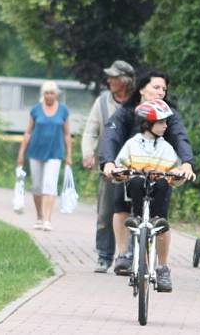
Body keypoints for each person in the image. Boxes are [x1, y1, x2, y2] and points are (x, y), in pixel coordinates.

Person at [100, 70, 196, 291]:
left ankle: (162, 268)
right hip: (129, 168)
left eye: (164, 89)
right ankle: (123, 255)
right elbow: (111, 136)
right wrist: (109, 163)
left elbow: (180, 137)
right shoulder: (126, 113)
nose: (161, 92)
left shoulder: (169, 115)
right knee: (121, 204)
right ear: (142, 89)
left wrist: (187, 163)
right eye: (156, 87)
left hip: (160, 172)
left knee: (161, 218)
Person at [111, 100, 186, 292]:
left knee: (162, 184)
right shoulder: (132, 144)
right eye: (161, 122)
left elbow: (175, 174)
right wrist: (117, 172)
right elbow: (119, 167)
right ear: (148, 124)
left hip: (158, 197)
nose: (165, 126)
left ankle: (162, 268)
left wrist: (179, 175)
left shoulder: (166, 148)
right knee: (135, 181)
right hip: (138, 193)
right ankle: (136, 217)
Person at [81, 60, 135, 273]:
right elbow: (90, 131)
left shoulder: (138, 101)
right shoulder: (102, 102)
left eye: (114, 77)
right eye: (109, 77)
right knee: (105, 214)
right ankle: (104, 256)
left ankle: (128, 256)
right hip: (109, 167)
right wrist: (88, 153)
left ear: (126, 81)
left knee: (132, 214)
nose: (109, 80)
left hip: (134, 166)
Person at [17, 80, 72, 232]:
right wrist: (21, 153)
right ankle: (39, 216)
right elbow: (28, 132)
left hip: (55, 152)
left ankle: (47, 219)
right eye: (47, 93)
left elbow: (67, 134)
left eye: (52, 93)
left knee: (50, 185)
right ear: (43, 94)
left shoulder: (63, 110)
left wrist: (69, 155)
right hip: (36, 151)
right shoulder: (35, 110)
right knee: (37, 186)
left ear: (56, 94)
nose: (49, 95)